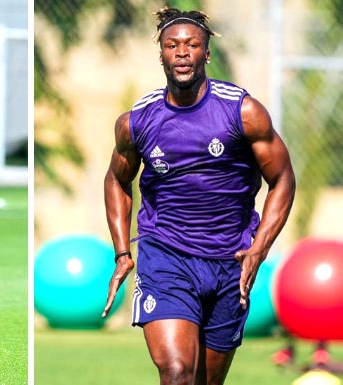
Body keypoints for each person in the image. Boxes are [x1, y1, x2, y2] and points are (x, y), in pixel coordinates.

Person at [102, 7, 295, 385]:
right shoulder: (137, 121)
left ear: (206, 53)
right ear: (161, 55)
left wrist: (259, 249)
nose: (182, 52)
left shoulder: (243, 111)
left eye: (192, 44)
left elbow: (283, 178)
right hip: (166, 257)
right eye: (172, 45)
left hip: (230, 262)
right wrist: (123, 252)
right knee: (177, 373)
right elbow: (115, 180)